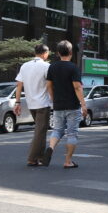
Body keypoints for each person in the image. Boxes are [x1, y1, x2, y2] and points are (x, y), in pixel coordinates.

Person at [45, 40, 88, 169]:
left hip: (58, 105)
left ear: (58, 53)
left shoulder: (52, 67)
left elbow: (49, 85)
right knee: (72, 133)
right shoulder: (73, 67)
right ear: (71, 52)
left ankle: (51, 147)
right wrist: (83, 104)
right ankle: (68, 161)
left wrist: (53, 99)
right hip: (72, 106)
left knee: (57, 130)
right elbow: (77, 87)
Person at [14, 44, 52, 167]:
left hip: (31, 103)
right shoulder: (46, 66)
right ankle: (32, 158)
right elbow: (49, 85)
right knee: (40, 131)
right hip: (43, 103)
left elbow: (19, 85)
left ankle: (39, 158)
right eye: (48, 53)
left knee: (40, 131)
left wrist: (18, 101)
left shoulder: (25, 66)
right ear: (45, 53)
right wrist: (54, 100)